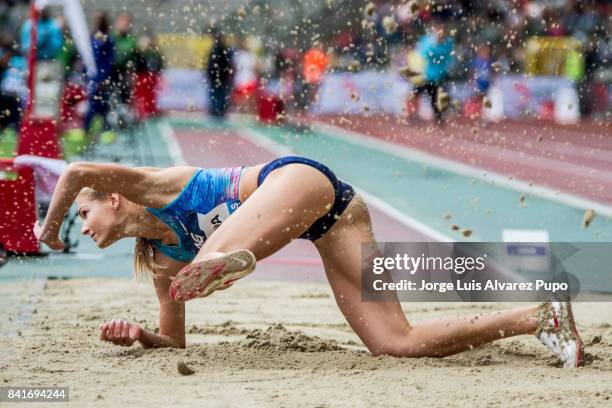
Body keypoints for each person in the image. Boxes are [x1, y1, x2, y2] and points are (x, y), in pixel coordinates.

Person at [34, 156, 584, 367]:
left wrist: (48, 227)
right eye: (75, 225)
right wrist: (140, 336)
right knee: (396, 343)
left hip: (296, 180)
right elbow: (174, 341)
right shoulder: (160, 261)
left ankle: (230, 257)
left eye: (83, 216)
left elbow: (77, 172)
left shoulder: (151, 186)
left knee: (204, 263)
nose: (82, 228)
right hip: (337, 218)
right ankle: (539, 316)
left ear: (112, 197)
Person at [410, 18, 454, 125]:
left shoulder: (448, 42)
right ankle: (412, 115)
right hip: (425, 74)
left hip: (439, 76)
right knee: (414, 94)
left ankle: (439, 119)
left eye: (442, 30)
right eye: (438, 29)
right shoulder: (427, 40)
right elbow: (422, 54)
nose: (440, 32)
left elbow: (448, 55)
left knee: (436, 99)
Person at [84, 12, 114, 137]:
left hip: (102, 77)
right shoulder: (92, 37)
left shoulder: (108, 39)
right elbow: (88, 58)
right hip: (92, 77)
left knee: (103, 104)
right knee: (92, 104)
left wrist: (103, 78)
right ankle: (86, 129)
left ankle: (105, 130)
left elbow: (109, 60)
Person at [206, 29, 234, 118]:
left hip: (219, 76)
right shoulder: (223, 49)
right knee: (219, 94)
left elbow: (227, 64)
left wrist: (210, 73)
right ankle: (218, 111)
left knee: (218, 94)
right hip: (219, 76)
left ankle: (218, 111)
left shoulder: (219, 49)